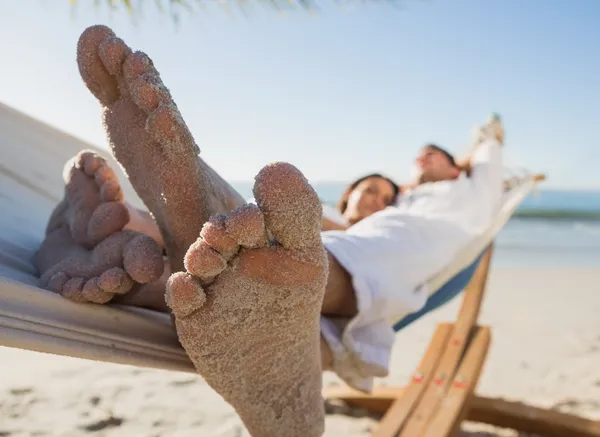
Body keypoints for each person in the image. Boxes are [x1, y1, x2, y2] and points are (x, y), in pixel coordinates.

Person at [36, 25, 505, 437]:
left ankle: (136, 251)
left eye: (433, 157)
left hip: (345, 271)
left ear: (455, 166)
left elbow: (490, 146)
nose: (381, 198)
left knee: (262, 268)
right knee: (256, 258)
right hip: (312, 274)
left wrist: (481, 146)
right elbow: (283, 227)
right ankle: (281, 389)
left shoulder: (454, 198)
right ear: (346, 201)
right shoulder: (337, 219)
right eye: (370, 191)